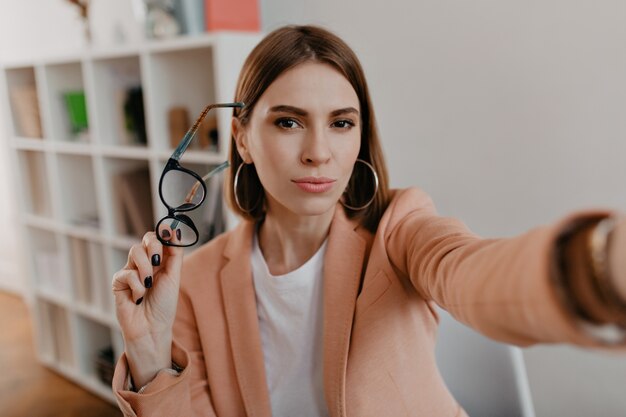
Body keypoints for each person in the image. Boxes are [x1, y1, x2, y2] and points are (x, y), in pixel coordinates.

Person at [111, 25, 626, 417]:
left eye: (340, 123)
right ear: (243, 137)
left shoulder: (399, 230)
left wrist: (596, 265)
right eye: (288, 122)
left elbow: (474, 270)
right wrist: (151, 356)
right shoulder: (196, 281)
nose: (319, 153)